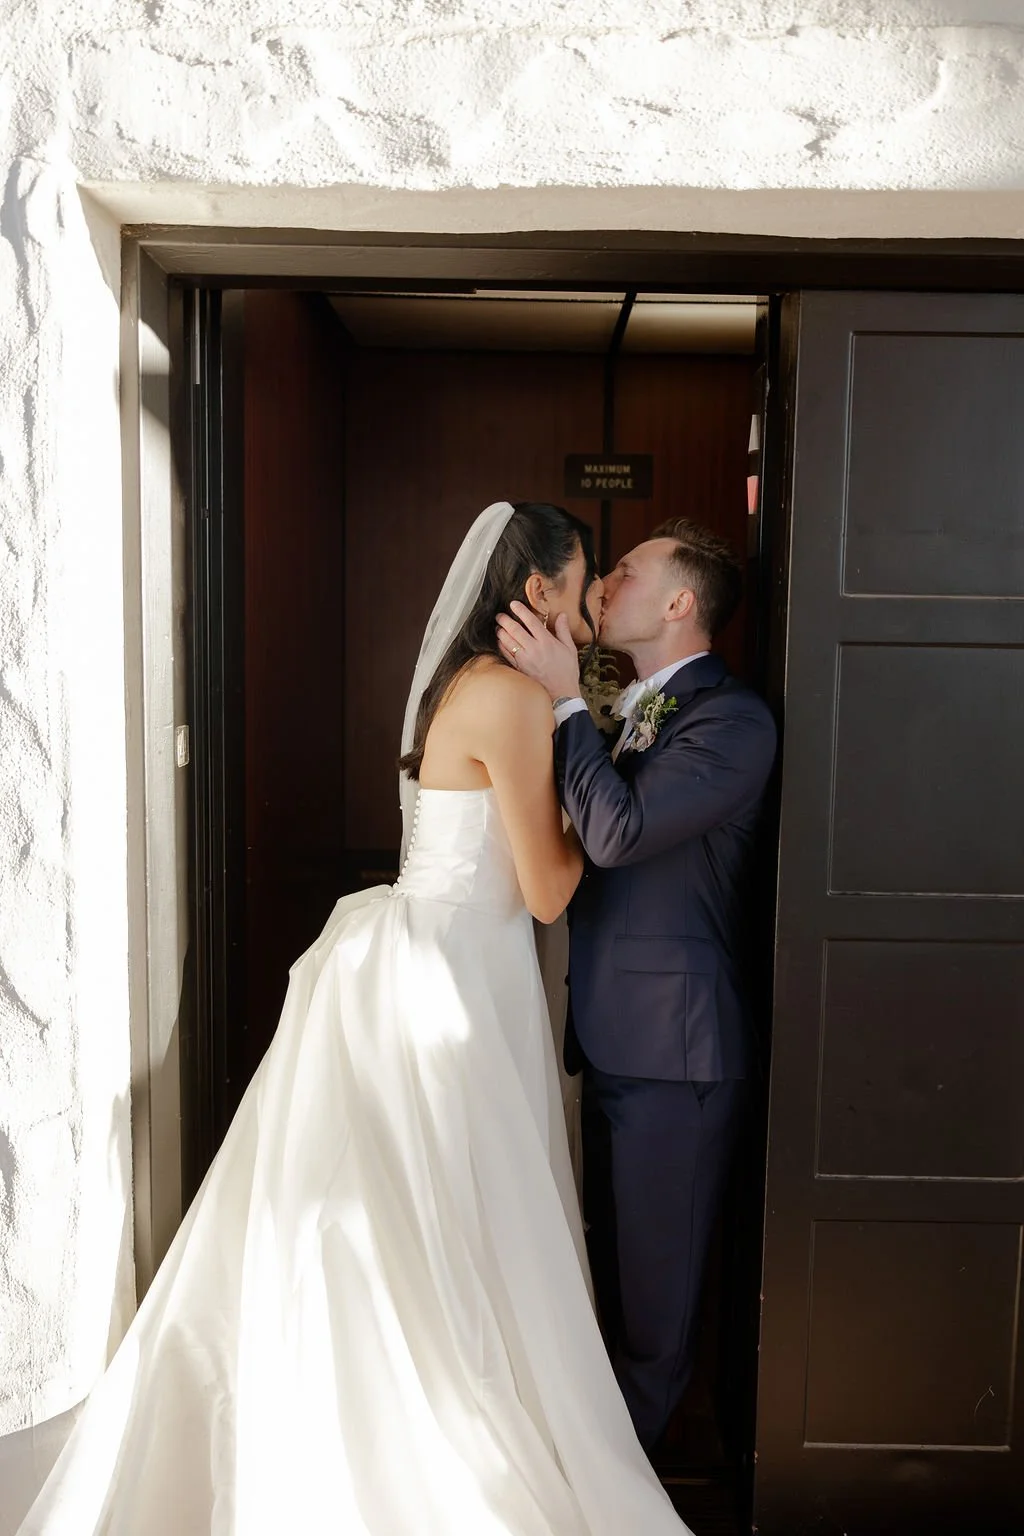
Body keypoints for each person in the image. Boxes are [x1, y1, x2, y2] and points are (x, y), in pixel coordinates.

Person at [18, 502, 688, 1535]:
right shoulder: (515, 699)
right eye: (582, 573)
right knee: (454, 1214)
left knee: (397, 1207)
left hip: (414, 952)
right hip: (459, 975)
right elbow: (550, 889)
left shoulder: (458, 685)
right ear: (540, 592)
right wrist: (571, 727)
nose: (592, 595)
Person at [497, 519, 777, 1456]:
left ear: (679, 602)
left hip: (679, 1055)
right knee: (610, 1285)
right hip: (615, 1037)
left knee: (657, 1305)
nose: (605, 580)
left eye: (626, 570)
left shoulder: (734, 722)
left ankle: (632, 1496)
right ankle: (598, 1471)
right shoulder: (636, 710)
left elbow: (615, 835)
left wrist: (566, 703)